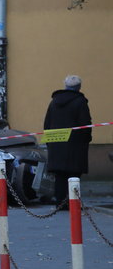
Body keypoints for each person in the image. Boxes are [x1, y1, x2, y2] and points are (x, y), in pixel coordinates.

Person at [43, 75, 92, 204]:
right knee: (74, 174)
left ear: (65, 86)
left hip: (56, 144)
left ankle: (60, 201)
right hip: (75, 145)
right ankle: (72, 202)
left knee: (60, 175)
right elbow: (85, 124)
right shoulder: (80, 102)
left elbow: (47, 123)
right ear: (79, 87)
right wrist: (86, 139)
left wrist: (50, 142)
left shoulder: (54, 101)